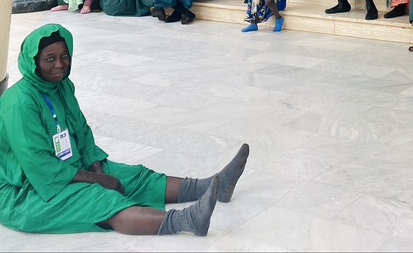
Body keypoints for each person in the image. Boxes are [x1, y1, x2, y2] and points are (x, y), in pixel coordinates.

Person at [0, 25, 249, 236]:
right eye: (50, 59)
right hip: (26, 191)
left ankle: (213, 186)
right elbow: (40, 166)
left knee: (133, 177)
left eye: (65, 56)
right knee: (101, 200)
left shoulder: (62, 86)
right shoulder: (19, 104)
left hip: (68, 166)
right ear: (33, 63)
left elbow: (82, 132)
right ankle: (185, 221)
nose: (60, 65)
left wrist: (98, 168)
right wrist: (98, 180)